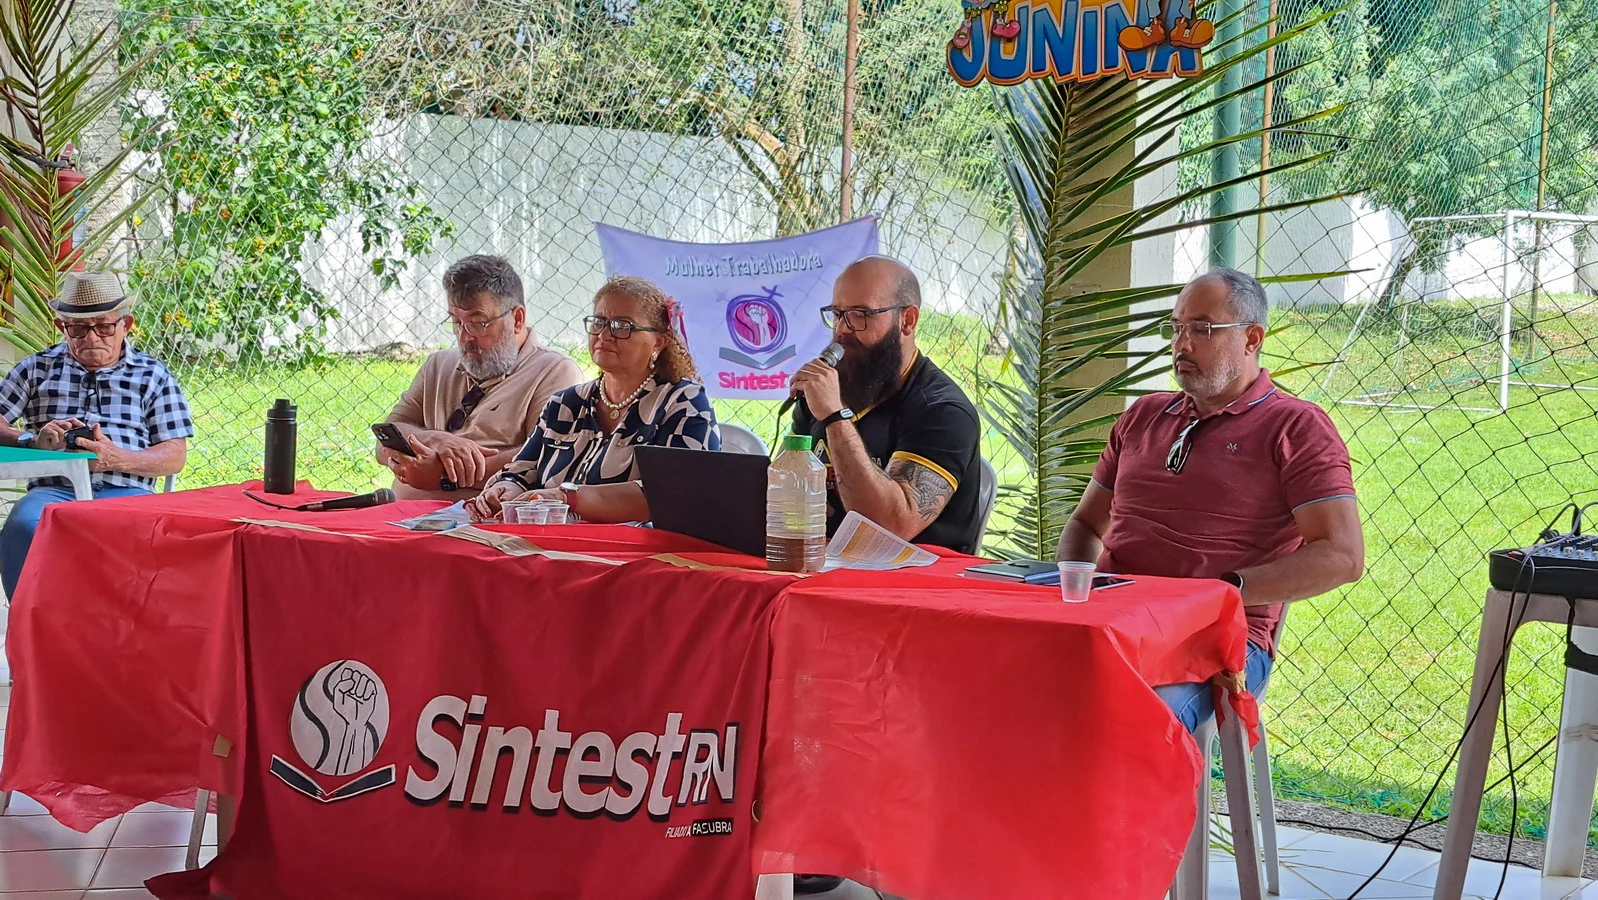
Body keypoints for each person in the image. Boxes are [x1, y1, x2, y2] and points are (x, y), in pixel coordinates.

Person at [1055, 268, 1365, 732]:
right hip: (1115, 622)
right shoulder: (1143, 416)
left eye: (1202, 329)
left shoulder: (1295, 428)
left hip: (1216, 641)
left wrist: (1221, 593)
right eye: (1176, 327)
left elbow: (1342, 556)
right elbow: (1085, 525)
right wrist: (1076, 595)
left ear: (1251, 338)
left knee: (1131, 718)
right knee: (1002, 679)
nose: (1182, 344)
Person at [0, 272, 193, 598]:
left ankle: (117, 626)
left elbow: (175, 454)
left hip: (127, 491)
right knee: (22, 526)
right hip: (54, 493)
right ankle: (32, 623)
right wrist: (31, 441)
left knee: (136, 538)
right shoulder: (36, 369)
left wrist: (117, 459)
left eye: (104, 327)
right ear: (62, 327)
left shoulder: (152, 374)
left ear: (125, 324)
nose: (92, 338)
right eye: (78, 329)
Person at [467, 276, 720, 524]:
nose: (604, 335)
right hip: (553, 543)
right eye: (599, 322)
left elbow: (674, 494)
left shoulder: (683, 402)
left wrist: (566, 498)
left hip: (639, 547)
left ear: (658, 342)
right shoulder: (565, 404)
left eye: (622, 326)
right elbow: (519, 471)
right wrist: (505, 490)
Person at [787, 255, 983, 553]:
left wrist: (834, 417)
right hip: (823, 563)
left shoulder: (942, 410)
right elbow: (785, 495)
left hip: (912, 576)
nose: (842, 330)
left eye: (860, 315)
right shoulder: (826, 390)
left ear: (908, 320)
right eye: (837, 314)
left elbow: (890, 527)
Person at [380, 255, 583, 500]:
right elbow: (383, 442)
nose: (465, 337)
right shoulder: (437, 365)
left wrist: (444, 474)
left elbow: (547, 457)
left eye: (478, 323)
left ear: (517, 319)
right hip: (400, 515)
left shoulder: (555, 372)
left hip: (484, 517)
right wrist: (434, 439)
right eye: (456, 322)